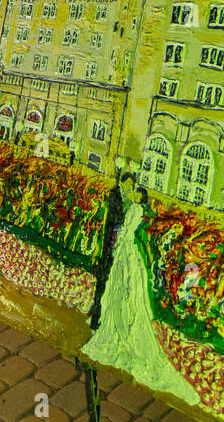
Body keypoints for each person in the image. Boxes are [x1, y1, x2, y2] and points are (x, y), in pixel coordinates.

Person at [81, 173, 199, 407]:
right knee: (121, 292)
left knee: (126, 292)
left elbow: (127, 234)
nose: (132, 191)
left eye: (136, 191)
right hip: (126, 255)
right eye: (132, 188)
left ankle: (117, 324)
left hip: (127, 255)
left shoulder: (135, 210)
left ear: (140, 196)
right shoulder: (133, 207)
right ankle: (112, 320)